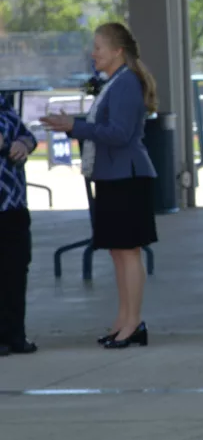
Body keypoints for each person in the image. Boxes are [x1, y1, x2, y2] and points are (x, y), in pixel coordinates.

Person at [40, 22, 158, 349]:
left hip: (126, 175)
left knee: (128, 251)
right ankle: (124, 320)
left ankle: (133, 323)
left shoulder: (125, 84)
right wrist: (73, 125)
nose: (93, 54)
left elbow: (119, 134)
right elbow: (102, 124)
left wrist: (75, 127)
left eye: (98, 48)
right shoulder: (113, 83)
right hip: (111, 175)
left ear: (118, 51)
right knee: (119, 252)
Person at [0, 96, 39, 356]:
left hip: (13, 203)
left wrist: (23, 145)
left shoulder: (3, 103)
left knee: (15, 269)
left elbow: (27, 135)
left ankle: (15, 334)